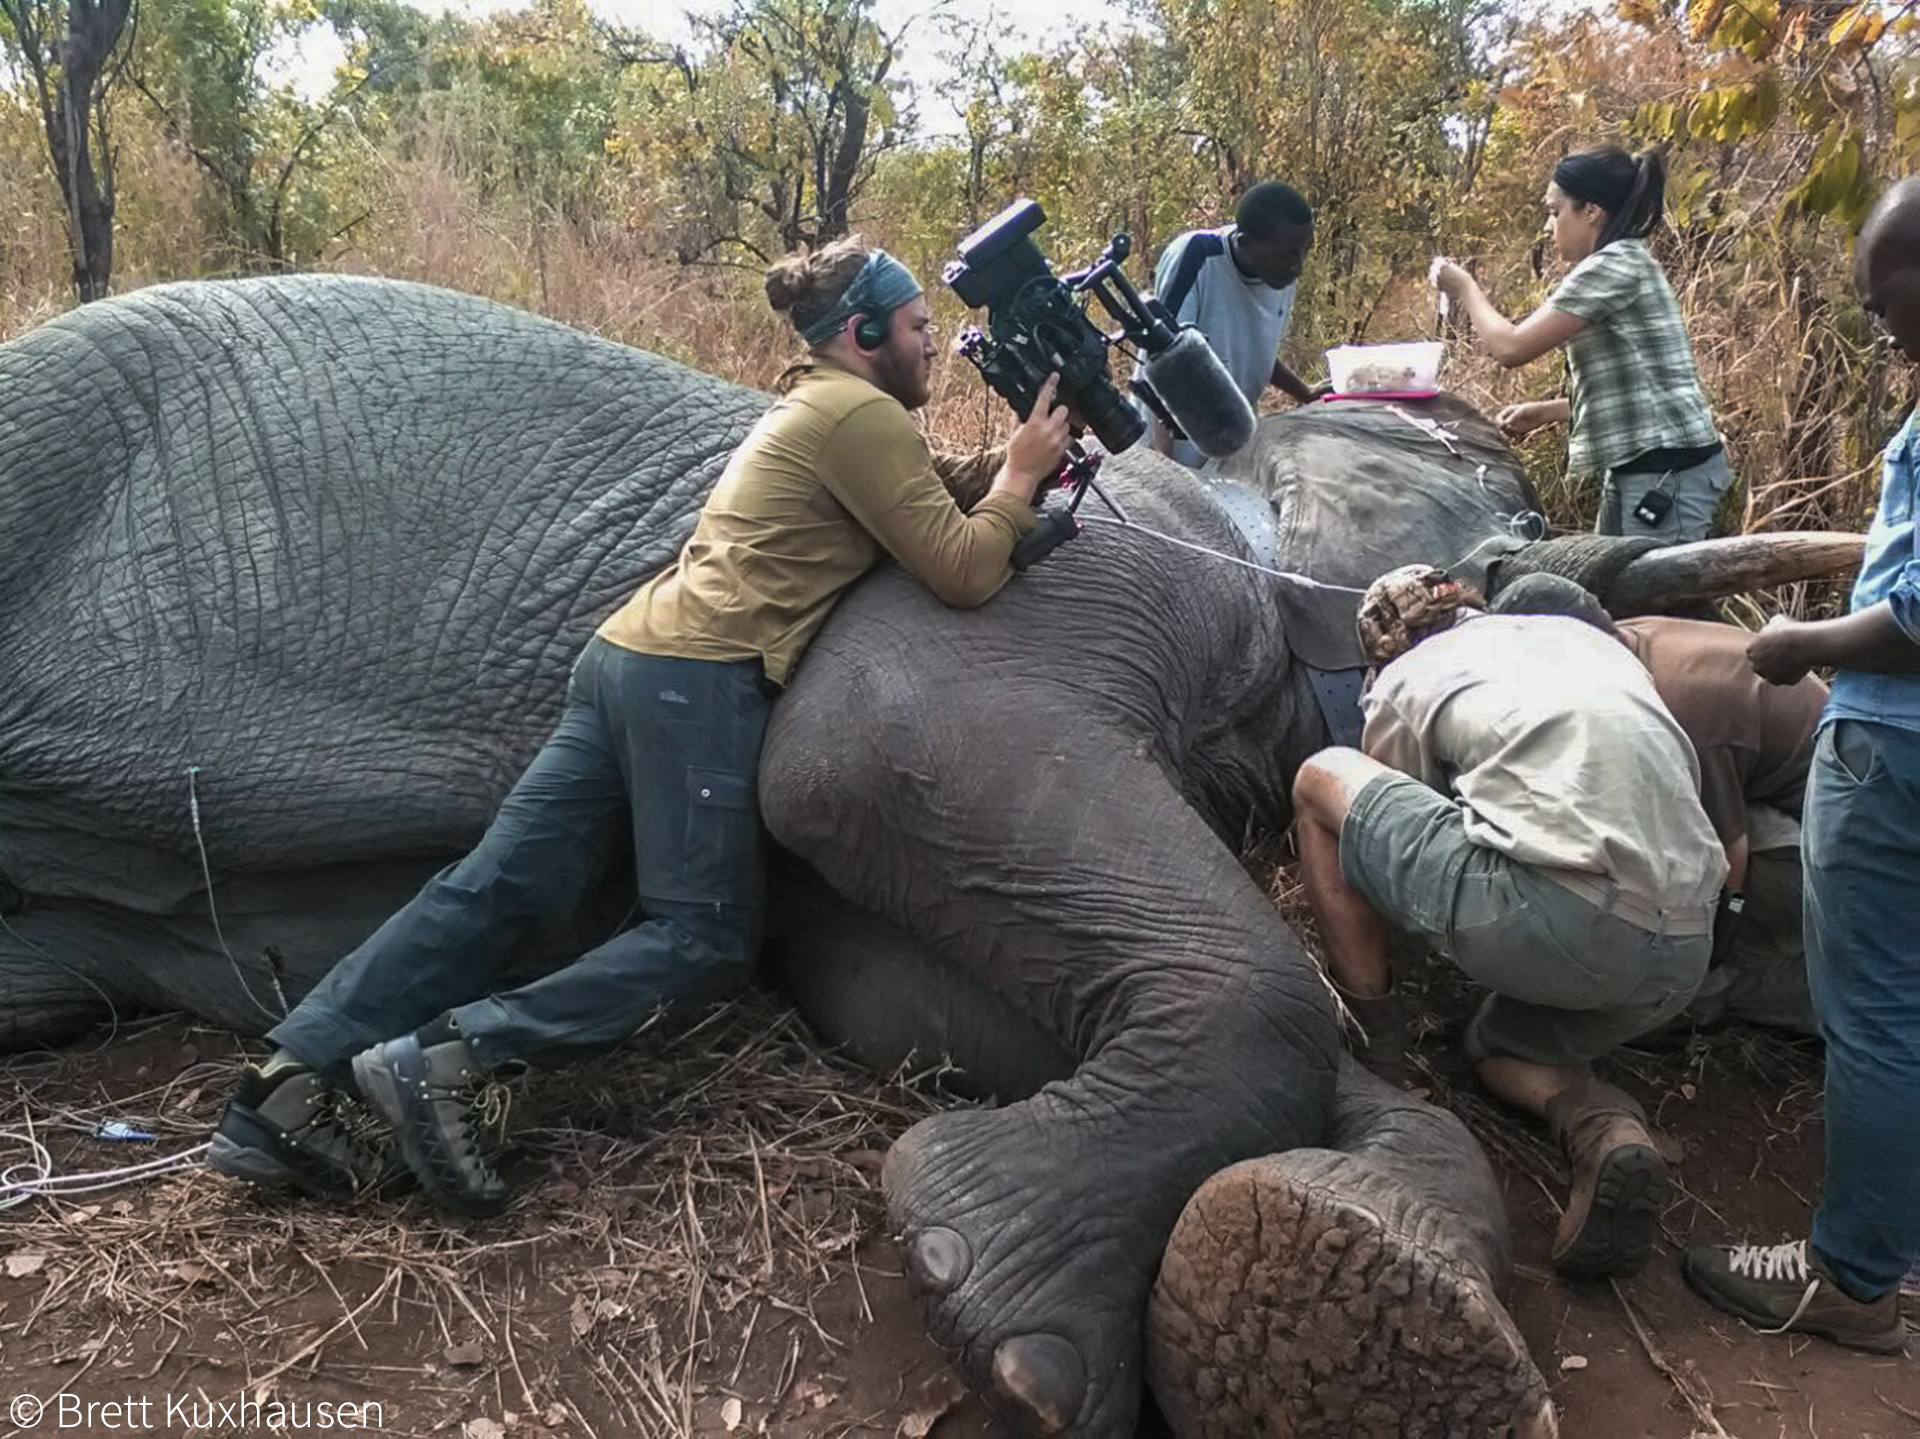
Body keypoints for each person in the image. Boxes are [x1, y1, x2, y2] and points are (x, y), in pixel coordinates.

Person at [208, 237, 1075, 1215]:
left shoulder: (816, 404)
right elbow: (960, 570)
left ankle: (281, 1086)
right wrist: (1016, 486)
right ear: (865, 332)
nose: (933, 349)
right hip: (694, 682)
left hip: (626, 654)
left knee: (493, 887)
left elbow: (914, 490)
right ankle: (453, 1057)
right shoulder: (859, 412)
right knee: (704, 935)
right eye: (919, 330)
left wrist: (1014, 462)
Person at [1291, 565, 1726, 1277]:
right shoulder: (1578, 640)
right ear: (1471, 608)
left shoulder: (1406, 678)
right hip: (1683, 946)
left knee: (1323, 780)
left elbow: (1387, 821)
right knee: (1496, 1044)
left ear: (1382, 654)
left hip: (1552, 920)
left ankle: (1377, 1044)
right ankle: (1601, 1125)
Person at [1682, 178, 1920, 1355]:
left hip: (1893, 742)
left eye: (1891, 305)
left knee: (1871, 1011)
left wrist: (1798, 644)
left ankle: (1855, 1276)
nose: (1883, 334)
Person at [1492, 574, 1829, 1031]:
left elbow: (1728, 860)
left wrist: (1707, 951)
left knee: (1674, 888)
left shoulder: (1677, 706)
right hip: (1783, 800)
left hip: (1826, 847)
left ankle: (1702, 1000)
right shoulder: (1624, 639)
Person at [1432, 146, 1731, 543]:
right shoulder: (1623, 261)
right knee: (1613, 596)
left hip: (1667, 475)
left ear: (1591, 211)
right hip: (1641, 467)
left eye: (1555, 212)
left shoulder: (1613, 266)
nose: (1548, 225)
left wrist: (1464, 286)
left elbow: (1510, 348)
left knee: (1660, 602)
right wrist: (1548, 412)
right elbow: (1643, 388)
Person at [1134, 181, 1326, 468]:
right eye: (1287, 255)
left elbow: (1254, 350)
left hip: (1228, 437)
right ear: (1245, 242)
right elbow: (1163, 360)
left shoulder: (1280, 273)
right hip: (1173, 442)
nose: (1297, 266)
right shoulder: (1197, 257)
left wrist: (1304, 392)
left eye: (1304, 252)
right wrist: (1165, 460)